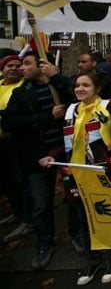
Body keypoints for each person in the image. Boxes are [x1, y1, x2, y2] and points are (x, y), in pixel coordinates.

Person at [49, 72, 111, 285]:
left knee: (107, 215)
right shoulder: (70, 110)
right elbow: (68, 141)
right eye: (77, 85)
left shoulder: (108, 106)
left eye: (86, 85)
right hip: (77, 174)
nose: (80, 89)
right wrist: (52, 156)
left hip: (103, 172)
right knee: (83, 218)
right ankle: (92, 259)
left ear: (97, 88)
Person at [1, 52, 74, 270]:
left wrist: (57, 78)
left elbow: (79, 99)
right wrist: (47, 117)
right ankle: (44, 244)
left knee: (75, 198)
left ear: (43, 66)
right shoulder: (21, 93)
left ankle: (77, 236)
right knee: (41, 204)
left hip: (66, 153)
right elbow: (9, 123)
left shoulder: (60, 88)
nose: (21, 68)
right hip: (37, 157)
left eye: (26, 63)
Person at [0, 55, 31, 242]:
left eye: (17, 65)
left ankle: (28, 218)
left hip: (16, 141)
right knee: (6, 180)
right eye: (9, 65)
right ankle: (17, 211)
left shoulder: (23, 87)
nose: (13, 68)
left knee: (21, 179)